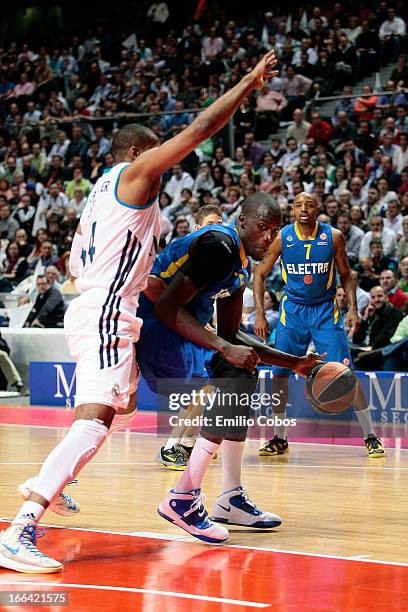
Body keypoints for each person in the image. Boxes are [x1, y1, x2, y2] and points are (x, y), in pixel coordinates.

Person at [0, 50, 280, 573]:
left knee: (116, 411)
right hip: (107, 310)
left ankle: (54, 481)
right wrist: (246, 84)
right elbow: (198, 130)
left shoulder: (102, 196)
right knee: (96, 421)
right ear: (133, 152)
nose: (163, 168)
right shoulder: (132, 176)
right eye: (155, 156)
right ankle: (22, 525)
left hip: (105, 305)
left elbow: (96, 264)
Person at [137, 192, 321, 543]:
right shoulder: (220, 246)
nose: (269, 238)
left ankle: (227, 497)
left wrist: (294, 362)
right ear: (242, 223)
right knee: (107, 418)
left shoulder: (240, 265)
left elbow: (232, 333)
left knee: (241, 371)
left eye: (275, 231)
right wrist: (225, 348)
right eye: (262, 228)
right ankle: (183, 496)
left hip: (178, 327)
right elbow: (165, 306)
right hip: (151, 325)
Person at [254, 192, 384, 459]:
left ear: (317, 209)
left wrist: (353, 310)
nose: (304, 209)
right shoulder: (283, 237)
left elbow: (347, 275)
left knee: (345, 373)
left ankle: (370, 435)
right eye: (299, 205)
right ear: (292, 210)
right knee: (279, 375)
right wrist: (259, 314)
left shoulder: (334, 236)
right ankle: (279, 438)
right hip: (293, 312)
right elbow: (259, 274)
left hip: (325, 311)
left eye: (309, 205)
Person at [155, 204, 223, 469]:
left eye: (219, 224)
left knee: (207, 388)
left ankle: (185, 442)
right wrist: (200, 327)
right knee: (200, 388)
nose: (215, 228)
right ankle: (172, 446)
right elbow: (170, 297)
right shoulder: (188, 255)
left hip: (199, 331)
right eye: (209, 225)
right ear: (197, 229)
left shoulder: (219, 259)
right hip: (180, 330)